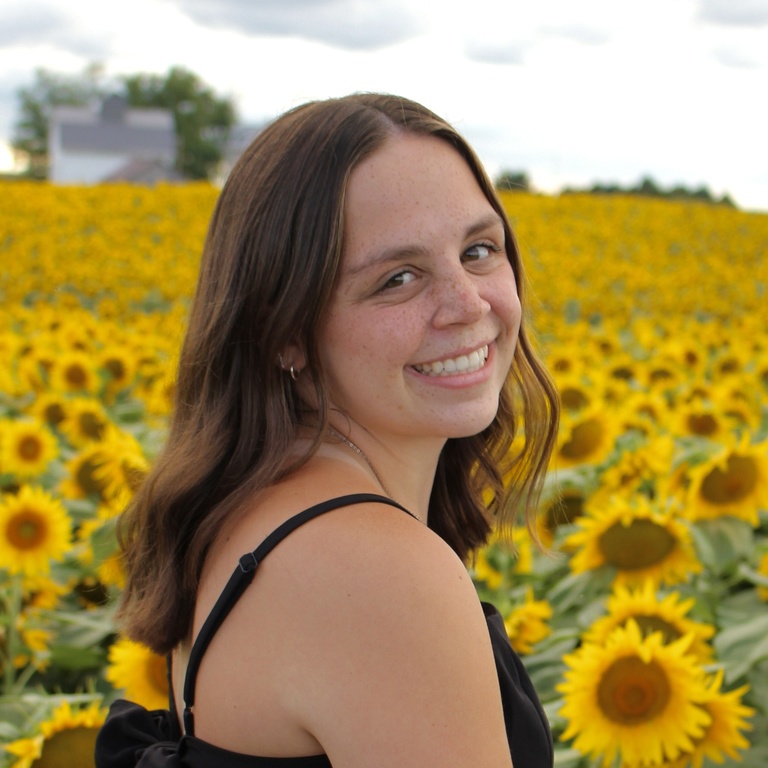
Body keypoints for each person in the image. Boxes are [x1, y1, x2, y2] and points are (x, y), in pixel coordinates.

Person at [95, 92, 560, 768]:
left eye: (480, 249)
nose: (469, 304)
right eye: (398, 279)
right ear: (286, 332)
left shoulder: (253, 510)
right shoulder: (376, 572)